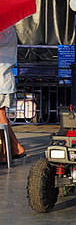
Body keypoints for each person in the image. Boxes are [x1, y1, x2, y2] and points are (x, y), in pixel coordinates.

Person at [0, 26, 26, 159]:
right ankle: (15, 148)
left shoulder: (5, 31)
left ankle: (8, 151)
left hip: (1, 81)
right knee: (1, 117)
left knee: (1, 118)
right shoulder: (8, 30)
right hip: (4, 80)